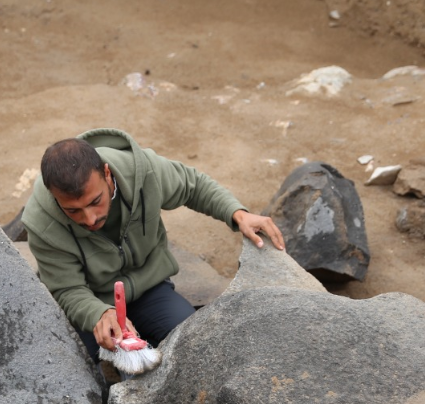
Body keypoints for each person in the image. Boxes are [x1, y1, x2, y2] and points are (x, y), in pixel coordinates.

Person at [22, 128, 285, 360]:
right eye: (73, 211)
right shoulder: (40, 221)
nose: (90, 218)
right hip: (96, 302)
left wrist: (238, 213)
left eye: (95, 201)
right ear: (54, 197)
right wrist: (99, 315)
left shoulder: (141, 171)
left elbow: (193, 186)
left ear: (106, 173)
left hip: (150, 289)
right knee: (79, 367)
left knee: (194, 344)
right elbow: (68, 289)